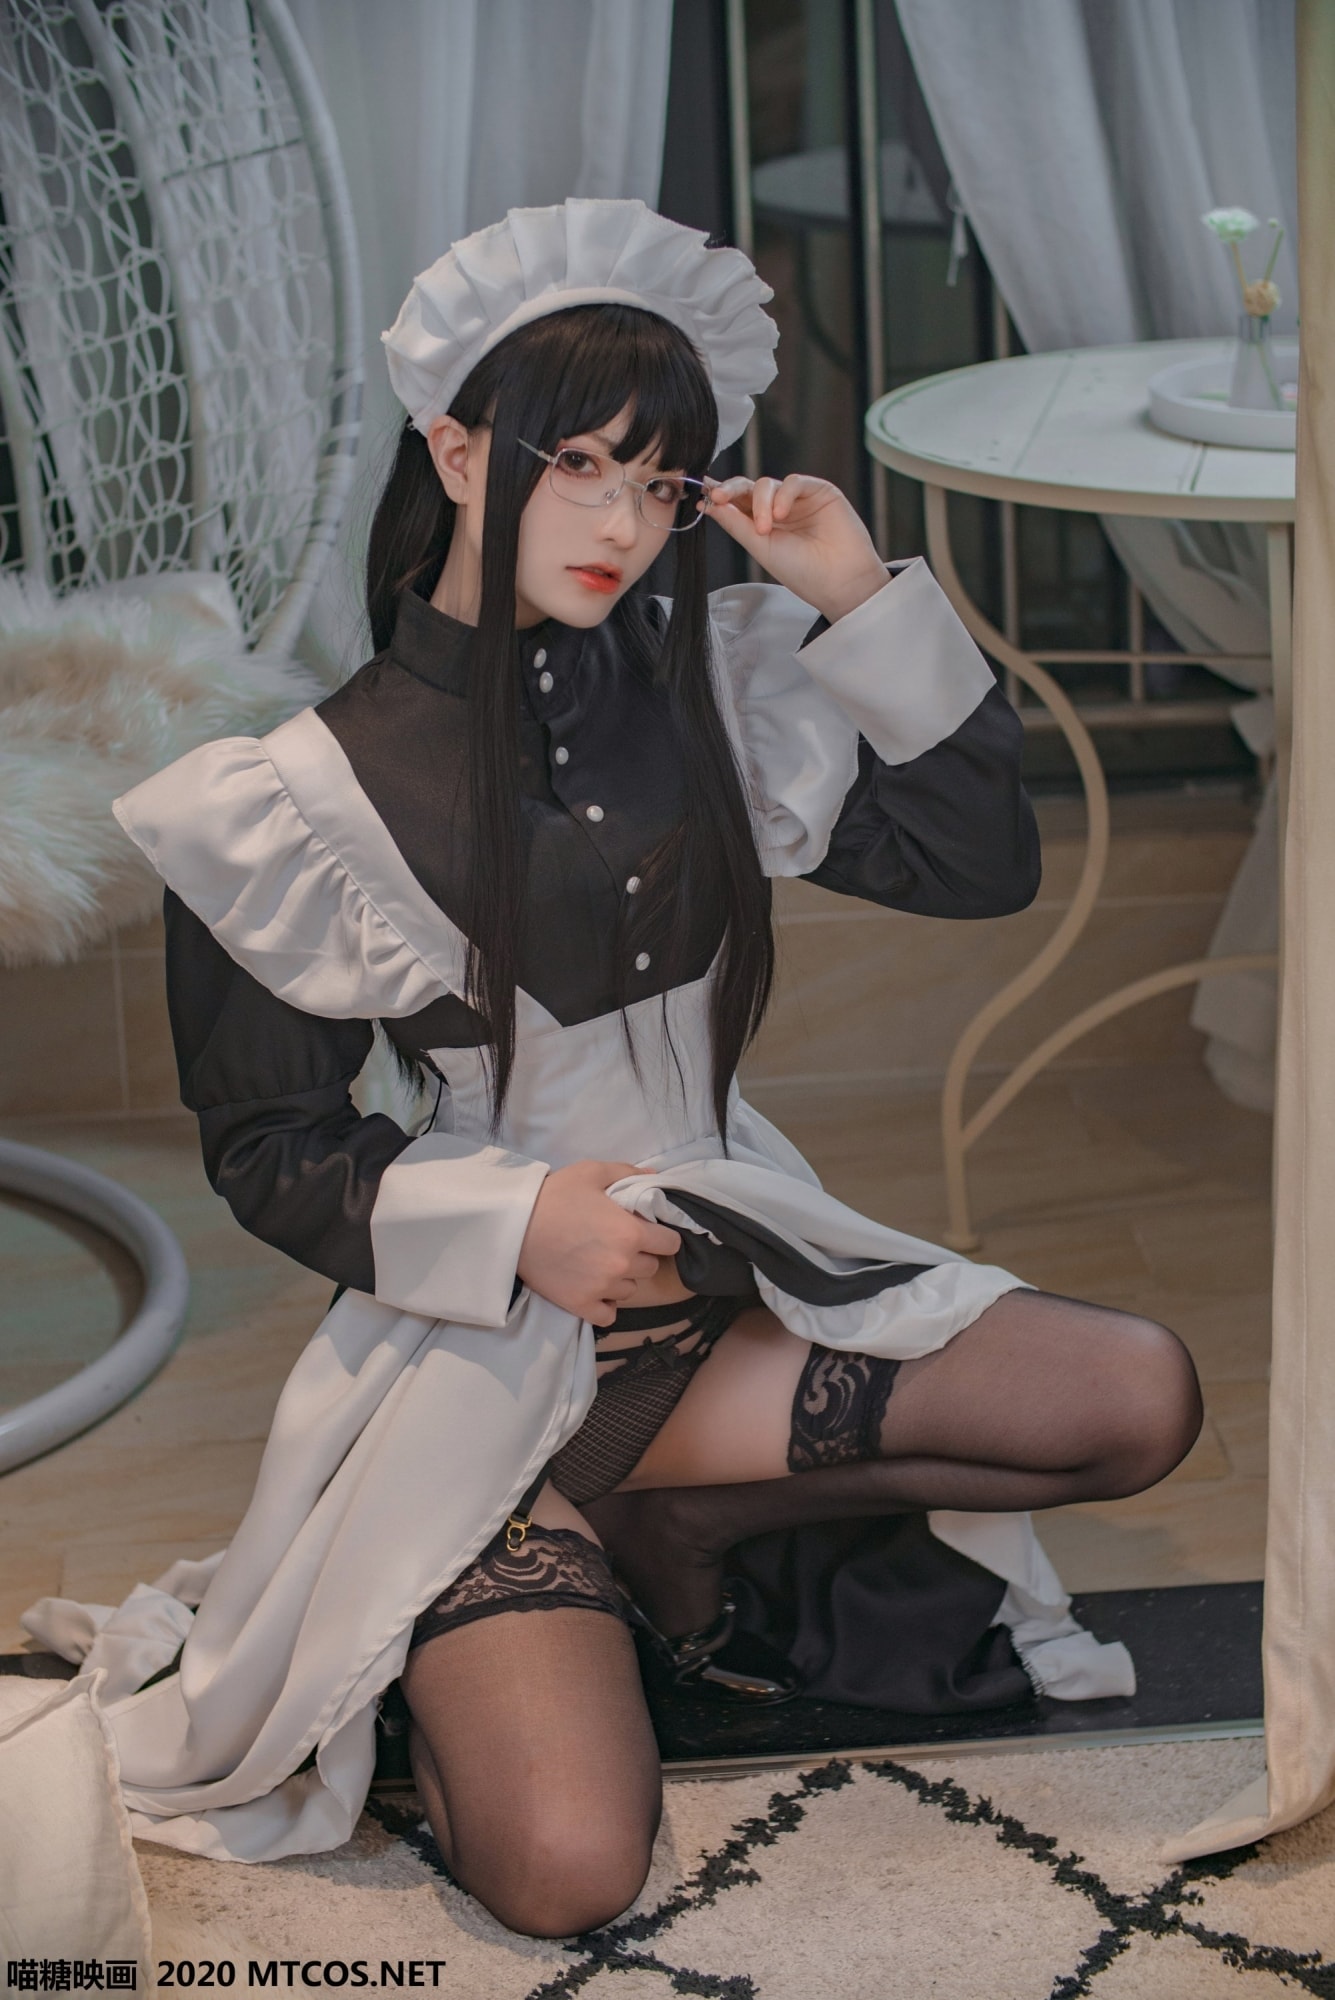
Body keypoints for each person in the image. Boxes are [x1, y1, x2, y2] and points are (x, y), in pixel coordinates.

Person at [47, 200, 1201, 1936]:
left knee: (1136, 1395)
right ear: (457, 452)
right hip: (478, 1368)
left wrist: (856, 593)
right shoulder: (293, 795)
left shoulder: (715, 686)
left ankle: (676, 1526)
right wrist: (521, 1223)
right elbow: (272, 1143)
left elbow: (979, 864)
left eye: (659, 484)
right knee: (567, 1872)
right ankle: (481, 1600)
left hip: (733, 1299)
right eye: (575, 463)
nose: (620, 522)